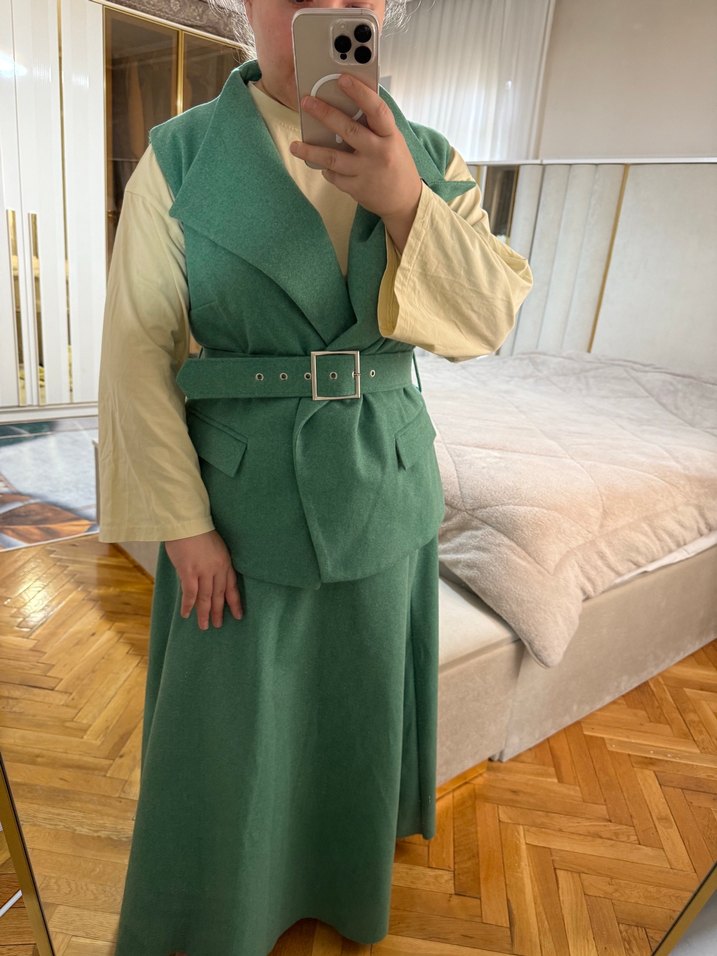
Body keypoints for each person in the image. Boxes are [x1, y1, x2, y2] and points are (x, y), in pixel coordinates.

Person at [97, 1, 533, 953]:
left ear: (381, 11)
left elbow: (487, 322)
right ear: (245, 5)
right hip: (239, 504)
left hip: (383, 486)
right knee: (227, 736)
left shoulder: (428, 156)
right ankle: (217, 914)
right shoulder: (181, 156)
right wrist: (182, 526)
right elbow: (135, 355)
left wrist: (406, 202)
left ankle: (338, 891)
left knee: (353, 717)